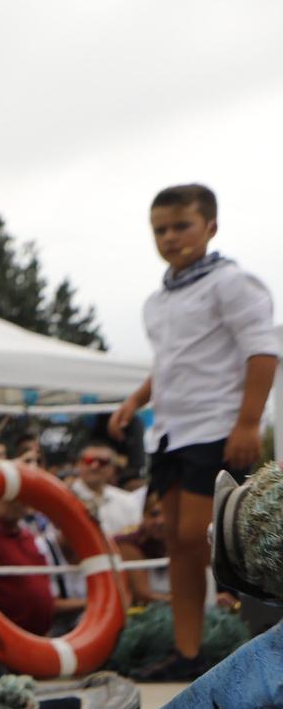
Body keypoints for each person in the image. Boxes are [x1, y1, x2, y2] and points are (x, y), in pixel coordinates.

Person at [109, 184, 278, 676]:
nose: (170, 237)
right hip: (171, 433)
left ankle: (259, 650)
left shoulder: (231, 283)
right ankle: (187, 655)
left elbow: (261, 351)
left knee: (212, 539)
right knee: (180, 545)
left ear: (211, 226)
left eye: (181, 225)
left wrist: (248, 422)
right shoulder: (156, 302)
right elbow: (168, 363)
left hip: (218, 424)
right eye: (160, 229)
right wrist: (136, 400)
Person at [0, 486, 55, 637]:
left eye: (19, 496)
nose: (15, 502)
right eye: (8, 496)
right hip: (3, 639)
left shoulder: (27, 535)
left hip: (37, 637)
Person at [70, 441, 144, 540]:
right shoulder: (64, 497)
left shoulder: (127, 500)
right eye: (88, 461)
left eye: (102, 462)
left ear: (112, 468)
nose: (94, 466)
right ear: (78, 464)